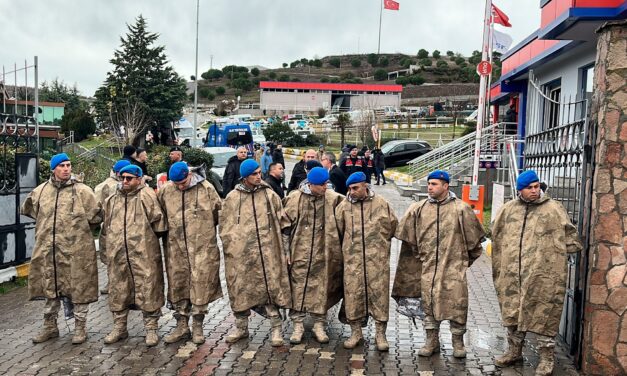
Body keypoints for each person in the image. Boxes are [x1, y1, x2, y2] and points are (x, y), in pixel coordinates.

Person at [491, 170, 582, 376]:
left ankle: (546, 358)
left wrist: (553, 257)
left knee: (544, 314)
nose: (534, 191)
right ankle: (514, 351)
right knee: (513, 313)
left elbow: (571, 238)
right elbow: (497, 237)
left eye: (537, 187)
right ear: (519, 190)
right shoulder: (508, 210)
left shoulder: (553, 209)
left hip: (543, 275)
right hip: (513, 274)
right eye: (529, 188)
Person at [394, 170, 485, 358]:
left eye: (434, 184)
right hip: (427, 270)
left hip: (453, 271)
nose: (430, 187)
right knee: (429, 306)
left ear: (446, 186)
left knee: (457, 305)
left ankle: (458, 343)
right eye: (429, 184)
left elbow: (475, 245)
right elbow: (409, 242)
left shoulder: (461, 209)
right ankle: (431, 341)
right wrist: (421, 258)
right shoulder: (418, 209)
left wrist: (460, 263)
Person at [21, 153, 102, 345]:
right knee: (50, 287)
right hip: (49, 252)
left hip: (77, 252)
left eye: (68, 165)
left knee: (79, 289)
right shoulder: (41, 192)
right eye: (62, 166)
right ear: (53, 169)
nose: (66, 169)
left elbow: (97, 216)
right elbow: (29, 209)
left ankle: (80, 328)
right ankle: (50, 327)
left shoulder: (82, 191)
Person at [219, 159, 291, 347]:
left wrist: (284, 249)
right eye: (254, 174)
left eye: (260, 172)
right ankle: (241, 327)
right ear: (244, 177)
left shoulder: (269, 195)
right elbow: (225, 227)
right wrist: (232, 248)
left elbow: (284, 222)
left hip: (268, 254)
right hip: (242, 256)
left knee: (271, 290)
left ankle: (276, 328)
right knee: (240, 290)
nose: (259, 176)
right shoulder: (233, 198)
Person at [100, 164, 167, 347]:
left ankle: (151, 328)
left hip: (143, 254)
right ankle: (120, 327)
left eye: (129, 178)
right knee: (119, 291)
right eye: (123, 178)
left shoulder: (147, 196)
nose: (125, 181)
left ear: (139, 179)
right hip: (118, 255)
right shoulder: (112, 199)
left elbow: (159, 224)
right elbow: (105, 225)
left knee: (148, 289)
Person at [158, 162, 223, 345]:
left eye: (183, 182)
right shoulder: (166, 191)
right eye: (176, 183)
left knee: (200, 286)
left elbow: (218, 214)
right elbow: (160, 216)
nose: (180, 186)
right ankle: (181, 325)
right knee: (178, 285)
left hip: (201, 248)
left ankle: (198, 326)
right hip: (175, 248)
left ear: (189, 175)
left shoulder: (206, 189)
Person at [335, 172, 398, 351]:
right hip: (353, 263)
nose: (351, 192)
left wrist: (380, 247)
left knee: (379, 297)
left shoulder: (382, 205)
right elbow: (337, 232)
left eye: (355, 188)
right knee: (353, 296)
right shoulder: (344, 207)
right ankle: (356, 333)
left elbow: (393, 227)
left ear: (365, 186)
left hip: (376, 263)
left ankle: (380, 334)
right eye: (349, 188)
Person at [281, 167, 343, 344]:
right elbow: (285, 227)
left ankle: (319, 324)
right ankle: (298, 325)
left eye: (326, 183)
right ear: (311, 185)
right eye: (322, 185)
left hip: (323, 252)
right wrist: (286, 251)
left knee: (322, 287)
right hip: (299, 252)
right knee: (298, 288)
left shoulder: (332, 198)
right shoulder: (295, 199)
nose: (326, 187)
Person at [94, 159, 131, 295]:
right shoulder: (107, 186)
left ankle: (121, 283)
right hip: (112, 227)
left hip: (124, 227)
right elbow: (96, 208)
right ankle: (113, 283)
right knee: (112, 257)